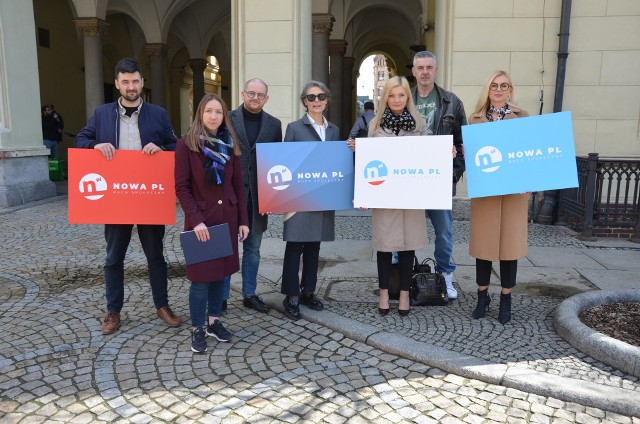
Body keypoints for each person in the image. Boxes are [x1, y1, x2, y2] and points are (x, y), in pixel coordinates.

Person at [75, 58, 182, 335]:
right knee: (113, 258)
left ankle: (162, 305)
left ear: (142, 82)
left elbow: (175, 145)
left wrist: (160, 147)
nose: (131, 86)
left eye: (135, 81)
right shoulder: (102, 114)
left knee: (156, 256)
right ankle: (113, 311)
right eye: (125, 81)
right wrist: (96, 145)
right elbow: (80, 141)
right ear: (118, 83)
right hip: (116, 197)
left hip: (148, 196)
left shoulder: (158, 114)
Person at [175, 93, 249, 353]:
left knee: (220, 275)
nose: (214, 116)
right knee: (201, 278)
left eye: (218, 112)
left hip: (227, 219)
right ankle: (197, 328)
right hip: (202, 222)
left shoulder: (230, 144)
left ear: (224, 116)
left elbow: (238, 187)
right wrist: (195, 221)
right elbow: (182, 188)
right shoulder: (186, 145)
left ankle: (213, 321)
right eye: (209, 111)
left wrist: (243, 220)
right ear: (200, 114)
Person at [350, 76, 429, 316]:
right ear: (386, 98)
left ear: (408, 97)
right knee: (384, 246)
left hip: (411, 194)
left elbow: (428, 155)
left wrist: (446, 152)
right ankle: (384, 291)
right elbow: (368, 161)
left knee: (408, 246)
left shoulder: (419, 123)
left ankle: (404, 293)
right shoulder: (375, 124)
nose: (396, 100)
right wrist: (357, 148)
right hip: (384, 194)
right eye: (392, 95)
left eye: (401, 95)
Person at [468, 70, 530, 325]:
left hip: (514, 193)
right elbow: (470, 154)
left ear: (510, 89)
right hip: (486, 191)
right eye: (494, 85)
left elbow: (529, 153)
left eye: (504, 85)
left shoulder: (522, 117)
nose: (499, 89)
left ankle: (506, 298)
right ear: (488, 88)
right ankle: (483, 296)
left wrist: (530, 181)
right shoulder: (475, 120)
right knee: (484, 246)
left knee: (509, 248)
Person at [223, 78, 282, 314]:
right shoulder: (226, 119)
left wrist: (274, 197)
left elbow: (277, 161)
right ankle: (222, 296)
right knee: (226, 247)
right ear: (242, 94)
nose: (255, 98)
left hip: (259, 196)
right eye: (251, 93)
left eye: (260, 95)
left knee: (253, 248)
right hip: (230, 194)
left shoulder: (274, 125)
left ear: (266, 98)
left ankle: (249, 293)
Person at [411, 50, 467, 300]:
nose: (424, 72)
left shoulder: (451, 102)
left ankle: (446, 275)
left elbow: (463, 143)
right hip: (408, 179)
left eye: (429, 67)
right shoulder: (401, 98)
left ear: (436, 70)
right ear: (413, 71)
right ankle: (400, 277)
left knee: (443, 232)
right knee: (404, 231)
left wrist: (453, 174)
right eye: (420, 67)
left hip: (438, 180)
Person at [280, 80, 338, 321]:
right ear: (304, 101)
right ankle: (291, 295)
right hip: (298, 196)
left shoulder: (333, 129)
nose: (317, 101)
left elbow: (336, 161)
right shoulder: (294, 128)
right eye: (311, 97)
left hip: (322, 196)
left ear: (327, 100)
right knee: (295, 246)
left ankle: (308, 291)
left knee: (314, 246)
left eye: (321, 96)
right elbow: (284, 160)